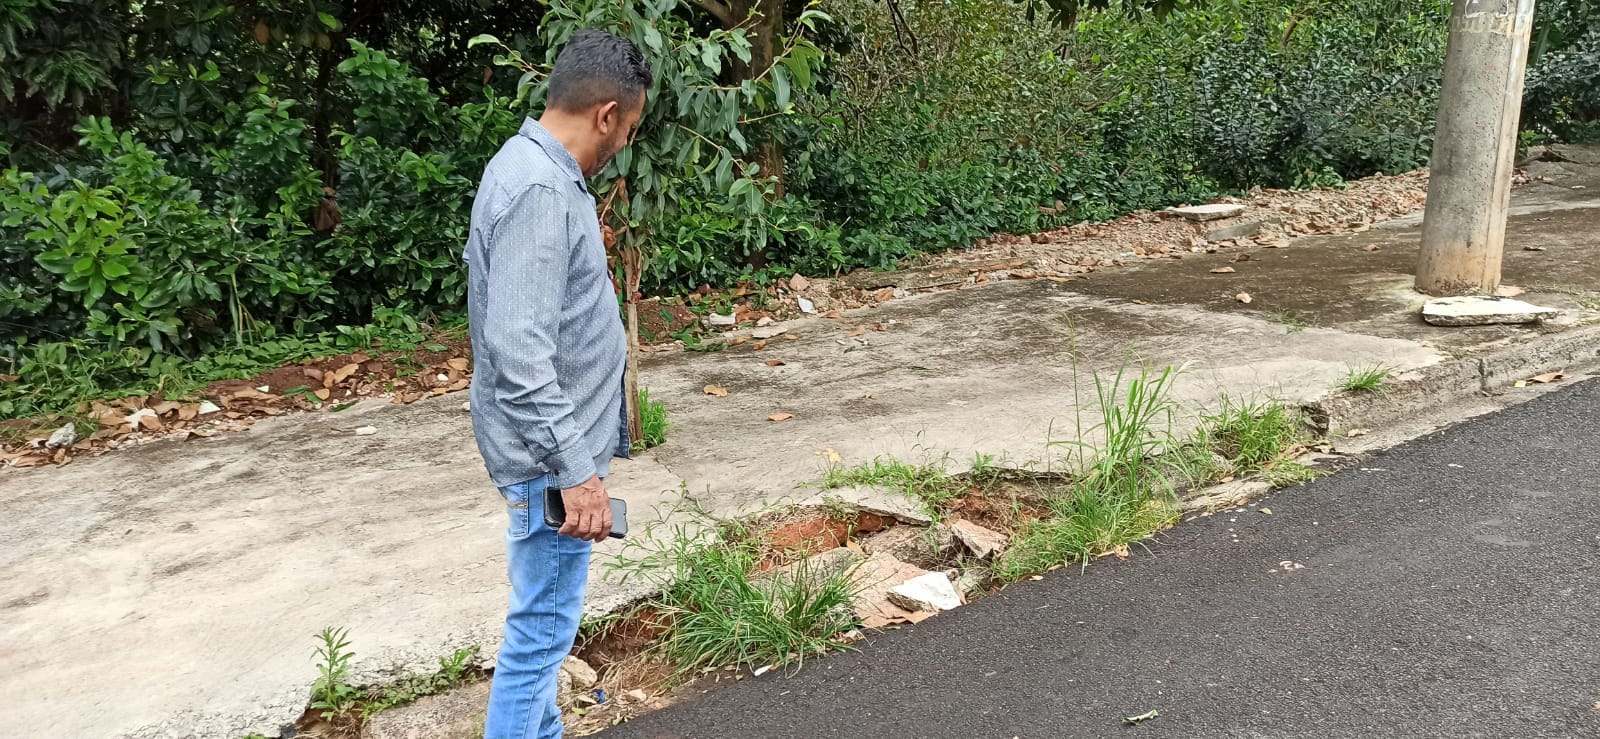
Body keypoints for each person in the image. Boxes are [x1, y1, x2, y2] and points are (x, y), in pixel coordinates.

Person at [461, 29, 651, 739]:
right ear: (606, 114)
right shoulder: (539, 189)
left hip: (550, 456)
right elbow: (516, 350)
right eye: (627, 128)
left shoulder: (535, 171)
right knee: (539, 633)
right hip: (549, 465)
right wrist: (578, 472)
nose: (623, 144)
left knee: (543, 632)